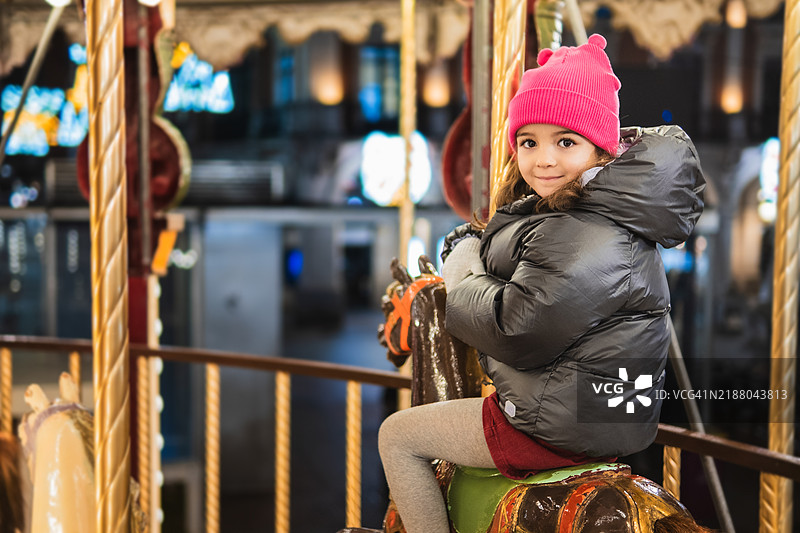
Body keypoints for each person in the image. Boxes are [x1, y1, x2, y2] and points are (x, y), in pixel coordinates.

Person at [378, 34, 706, 533]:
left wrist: (463, 262)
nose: (543, 159)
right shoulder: (598, 214)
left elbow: (515, 328)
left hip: (556, 427)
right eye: (528, 142)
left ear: (601, 147)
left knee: (397, 436)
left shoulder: (585, 230)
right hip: (601, 413)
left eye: (565, 141)